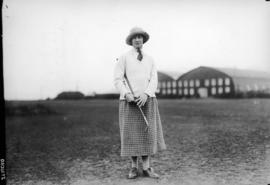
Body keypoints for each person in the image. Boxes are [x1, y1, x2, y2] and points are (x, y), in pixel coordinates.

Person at [114, 27, 166, 179]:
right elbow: (117, 79)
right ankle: (133, 168)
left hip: (147, 100)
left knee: (146, 135)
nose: (137, 39)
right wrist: (126, 93)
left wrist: (146, 94)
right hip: (129, 102)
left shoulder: (150, 59)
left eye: (140, 37)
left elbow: (154, 79)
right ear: (130, 40)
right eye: (134, 37)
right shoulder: (123, 58)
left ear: (143, 39)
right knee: (131, 135)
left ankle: (147, 167)